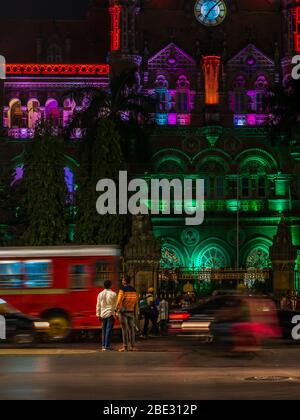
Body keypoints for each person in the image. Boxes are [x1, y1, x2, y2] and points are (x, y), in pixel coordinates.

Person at [116, 275, 138, 352]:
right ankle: (133, 346)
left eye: (123, 280)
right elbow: (135, 300)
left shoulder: (122, 289)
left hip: (123, 312)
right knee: (131, 329)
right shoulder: (134, 290)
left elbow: (119, 300)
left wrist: (117, 309)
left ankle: (125, 346)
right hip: (131, 311)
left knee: (124, 329)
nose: (122, 281)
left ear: (125, 281)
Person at [96, 279, 117, 352]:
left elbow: (98, 305)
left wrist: (98, 314)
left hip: (102, 314)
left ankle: (103, 346)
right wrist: (115, 314)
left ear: (104, 286)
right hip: (110, 313)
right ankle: (107, 346)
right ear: (110, 285)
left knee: (103, 330)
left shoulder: (100, 294)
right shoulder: (113, 294)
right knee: (108, 330)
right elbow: (115, 306)